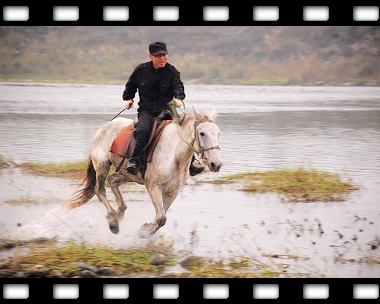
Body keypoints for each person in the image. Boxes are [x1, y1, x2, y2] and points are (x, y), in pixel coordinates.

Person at [122, 41, 205, 176]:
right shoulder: (140, 70)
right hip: (146, 110)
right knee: (143, 130)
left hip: (167, 109)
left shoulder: (172, 71)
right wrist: (128, 99)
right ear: (150, 56)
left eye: (164, 55)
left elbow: (178, 87)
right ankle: (134, 161)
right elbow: (130, 87)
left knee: (183, 130)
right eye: (158, 55)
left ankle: (190, 164)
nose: (162, 58)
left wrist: (178, 98)